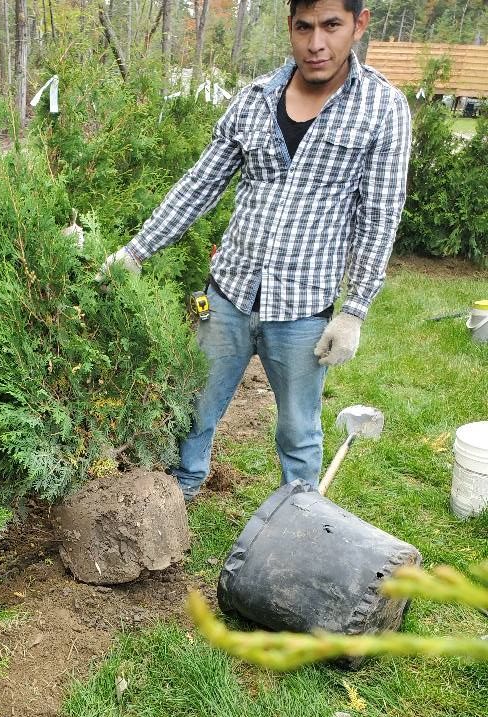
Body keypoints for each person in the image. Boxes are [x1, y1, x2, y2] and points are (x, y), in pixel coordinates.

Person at [105, 0, 411, 500]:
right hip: (228, 294)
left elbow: (378, 217)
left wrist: (354, 310)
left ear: (359, 24)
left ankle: (299, 512)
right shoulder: (253, 100)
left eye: (332, 26)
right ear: (290, 27)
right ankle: (179, 494)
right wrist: (136, 251)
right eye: (304, 27)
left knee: (298, 429)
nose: (317, 43)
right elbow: (198, 185)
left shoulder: (382, 108)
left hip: (303, 311)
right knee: (195, 407)